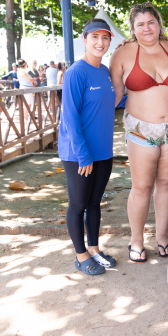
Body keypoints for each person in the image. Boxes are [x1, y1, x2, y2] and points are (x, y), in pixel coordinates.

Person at [110, 3, 168, 262]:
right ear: (132, 29)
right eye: (140, 24)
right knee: (142, 186)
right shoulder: (123, 54)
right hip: (142, 130)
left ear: (159, 23)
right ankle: (136, 240)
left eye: (151, 22)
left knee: (166, 184)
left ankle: (163, 237)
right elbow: (114, 95)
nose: (147, 28)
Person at [58, 18, 117, 275]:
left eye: (105, 38)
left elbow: (112, 101)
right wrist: (83, 155)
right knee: (78, 204)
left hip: (103, 150)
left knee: (95, 203)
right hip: (79, 153)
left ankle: (94, 249)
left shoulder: (104, 72)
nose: (100, 43)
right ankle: (81, 256)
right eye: (94, 37)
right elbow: (69, 116)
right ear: (84, 39)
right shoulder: (75, 73)